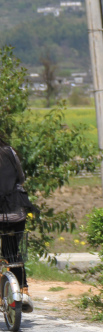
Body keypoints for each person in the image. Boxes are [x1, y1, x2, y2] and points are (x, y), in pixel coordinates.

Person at [0, 134, 35, 313]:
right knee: (13, 253)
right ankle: (24, 290)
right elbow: (21, 178)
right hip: (17, 211)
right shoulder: (10, 152)